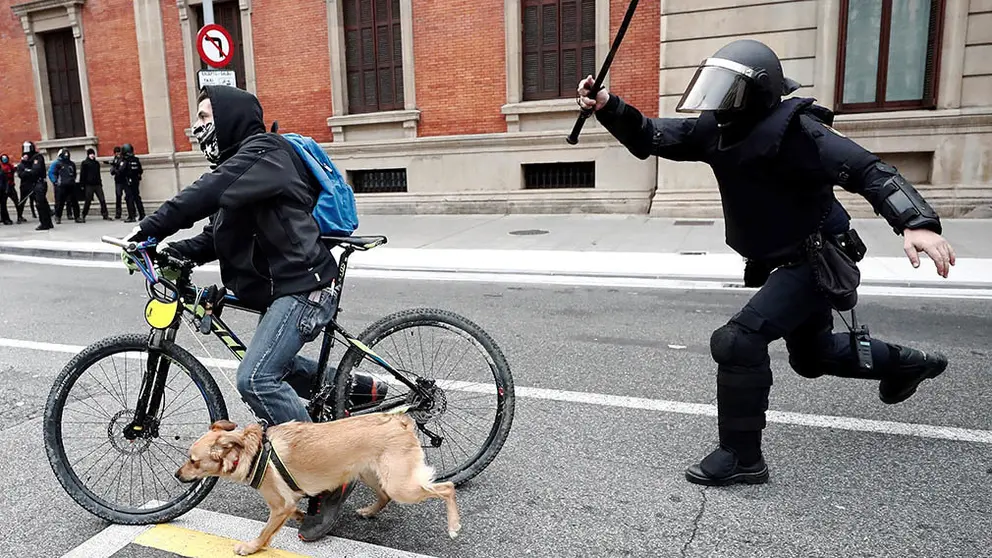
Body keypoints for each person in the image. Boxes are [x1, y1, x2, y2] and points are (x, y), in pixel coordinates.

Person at [577, 39, 956, 486]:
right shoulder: (716, 130)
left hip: (817, 260)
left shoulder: (799, 131)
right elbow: (652, 134)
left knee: (738, 341)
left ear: (756, 92)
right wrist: (607, 105)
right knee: (813, 356)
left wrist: (917, 222)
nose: (716, 97)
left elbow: (869, 170)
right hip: (785, 261)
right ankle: (909, 363)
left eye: (728, 88)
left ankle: (742, 458)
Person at [125, 85, 377, 542]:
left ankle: (330, 477)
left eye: (205, 116)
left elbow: (204, 194)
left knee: (256, 378)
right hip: (284, 287)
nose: (199, 126)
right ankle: (361, 388)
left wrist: (148, 227)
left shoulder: (264, 153)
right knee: (275, 364)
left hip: (305, 286)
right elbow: (214, 235)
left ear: (228, 117)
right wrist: (168, 251)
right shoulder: (240, 169)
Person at [16, 141, 53, 231]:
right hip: (33, 184)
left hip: (40, 183)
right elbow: (21, 173)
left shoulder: (37, 157)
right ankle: (48, 223)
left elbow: (35, 171)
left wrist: (27, 171)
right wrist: (25, 165)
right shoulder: (26, 161)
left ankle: (45, 223)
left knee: (40, 204)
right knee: (42, 203)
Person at [50, 149, 82, 224]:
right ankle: (58, 217)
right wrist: (55, 181)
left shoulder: (72, 164)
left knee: (74, 202)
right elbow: (51, 173)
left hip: (71, 185)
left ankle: (77, 216)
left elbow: (74, 173)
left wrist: (72, 180)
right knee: (60, 203)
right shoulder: (56, 163)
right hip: (61, 186)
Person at [80, 148, 111, 222]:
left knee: (102, 200)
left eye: (93, 154)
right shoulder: (85, 163)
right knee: (88, 201)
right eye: (91, 154)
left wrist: (100, 182)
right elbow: (82, 174)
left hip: (97, 184)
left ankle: (105, 214)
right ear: (88, 155)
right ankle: (83, 215)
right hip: (89, 185)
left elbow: (98, 174)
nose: (92, 155)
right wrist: (82, 184)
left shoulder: (96, 163)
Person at [118, 143, 145, 222]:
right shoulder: (136, 160)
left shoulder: (125, 160)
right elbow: (140, 170)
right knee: (137, 197)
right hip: (136, 181)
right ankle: (142, 214)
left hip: (128, 182)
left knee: (129, 198)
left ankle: (131, 216)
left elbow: (121, 170)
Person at [1, 153, 25, 225]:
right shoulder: (3, 167)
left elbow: (15, 169)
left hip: (11, 187)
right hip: (5, 188)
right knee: (3, 204)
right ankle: (6, 219)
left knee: (16, 202)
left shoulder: (10, 166)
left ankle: (19, 216)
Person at [108, 146, 126, 220]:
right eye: (116, 153)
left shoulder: (123, 160)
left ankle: (132, 211)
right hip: (118, 181)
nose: (117, 154)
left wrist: (116, 169)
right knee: (118, 196)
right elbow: (112, 171)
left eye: (118, 153)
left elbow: (122, 170)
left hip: (124, 180)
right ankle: (118, 213)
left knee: (128, 196)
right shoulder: (114, 160)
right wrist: (114, 168)